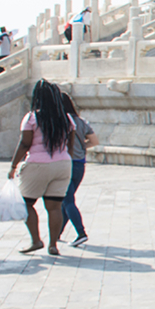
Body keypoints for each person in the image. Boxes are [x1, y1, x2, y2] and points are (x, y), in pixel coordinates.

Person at [8, 80, 74, 256]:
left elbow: (24, 143)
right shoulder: (66, 118)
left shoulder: (31, 118)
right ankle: (53, 245)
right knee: (54, 206)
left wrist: (14, 165)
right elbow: (72, 145)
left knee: (26, 203)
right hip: (63, 164)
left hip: (38, 164)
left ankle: (36, 240)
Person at [59, 93, 98, 247]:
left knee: (67, 200)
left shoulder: (60, 123)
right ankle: (57, 233)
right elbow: (94, 141)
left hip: (65, 164)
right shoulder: (81, 122)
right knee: (66, 200)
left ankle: (81, 233)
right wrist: (82, 147)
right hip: (80, 164)